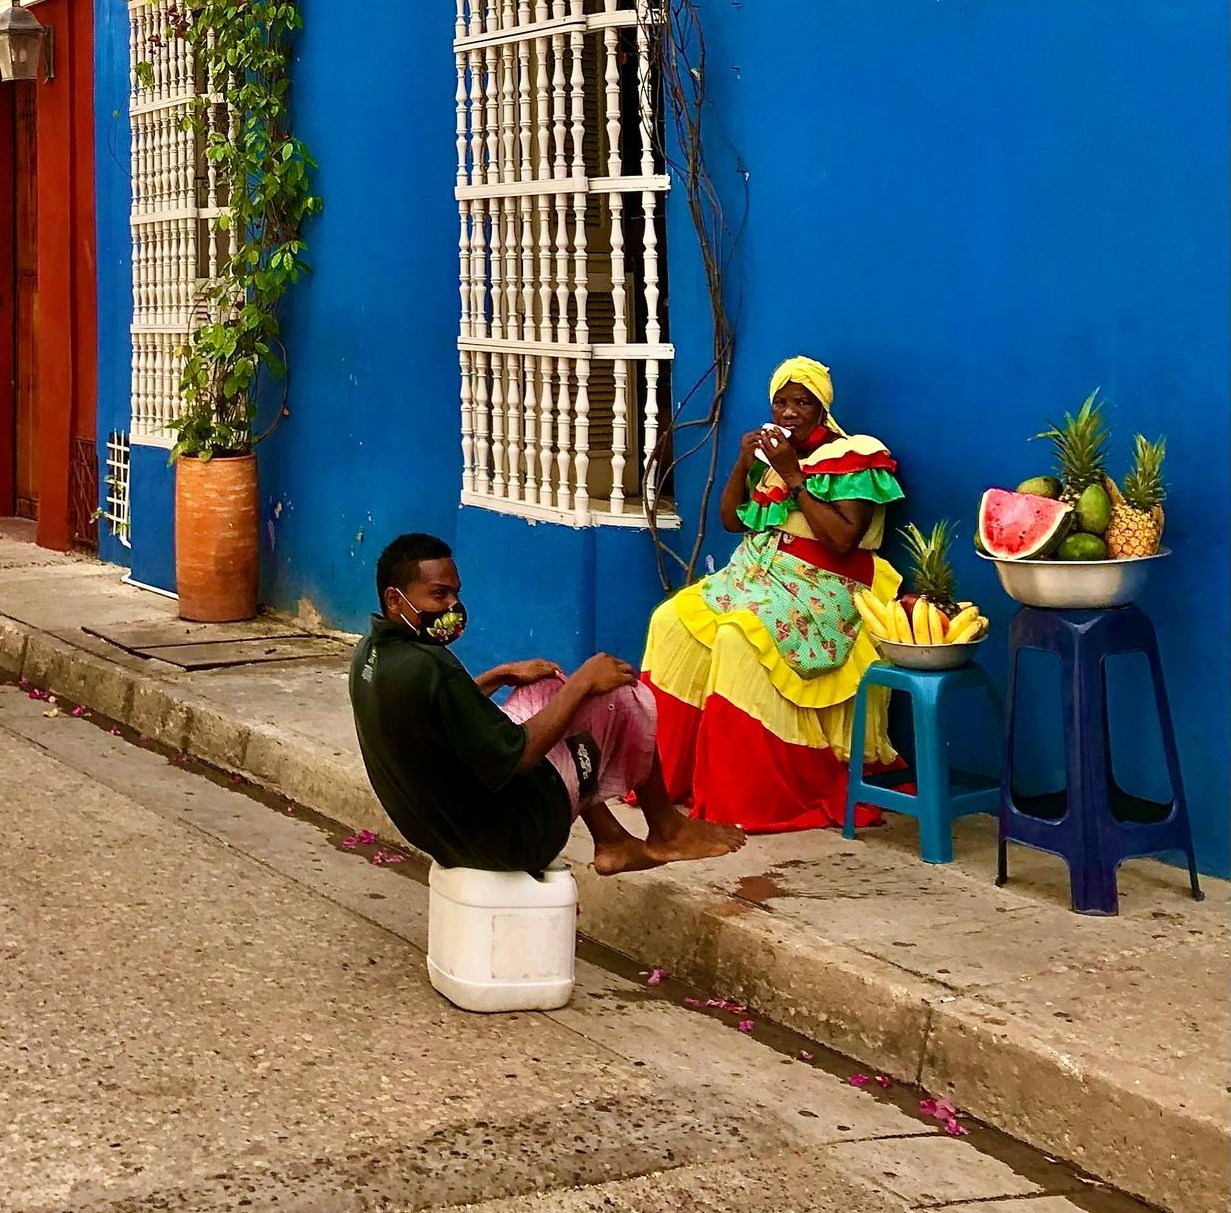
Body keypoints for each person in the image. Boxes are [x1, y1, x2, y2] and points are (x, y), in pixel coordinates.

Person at [349, 533, 744, 878]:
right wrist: (586, 682)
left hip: (449, 832)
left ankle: (612, 839)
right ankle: (667, 830)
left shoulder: (372, 654)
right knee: (619, 695)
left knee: (540, 695)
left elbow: (435, 712)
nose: (452, 606)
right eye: (438, 594)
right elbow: (519, 756)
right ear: (394, 599)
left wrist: (499, 676)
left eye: (455, 593)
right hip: (514, 837)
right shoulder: (432, 666)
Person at [642, 354, 905, 833]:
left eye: (801, 402)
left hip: (825, 587)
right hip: (757, 576)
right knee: (672, 620)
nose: (788, 412)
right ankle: (667, 777)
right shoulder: (773, 460)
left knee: (740, 636)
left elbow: (843, 540)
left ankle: (745, 791)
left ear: (822, 409)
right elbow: (730, 520)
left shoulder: (853, 456)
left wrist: (794, 476)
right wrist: (745, 463)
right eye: (780, 402)